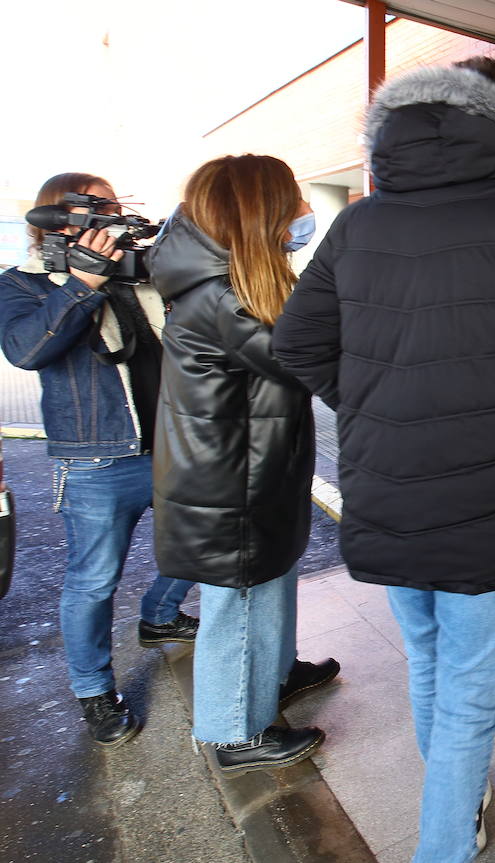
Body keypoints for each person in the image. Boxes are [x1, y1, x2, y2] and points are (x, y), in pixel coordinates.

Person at [272, 58, 495, 862]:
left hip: (386, 487)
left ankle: (458, 797)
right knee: (467, 693)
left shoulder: (360, 221)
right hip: (490, 496)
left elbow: (294, 343)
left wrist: (368, 401)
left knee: (427, 658)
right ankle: (447, 836)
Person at [146, 154, 338, 773]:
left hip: (252, 471)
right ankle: (234, 732)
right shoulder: (220, 295)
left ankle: (274, 677)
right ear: (260, 212)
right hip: (228, 484)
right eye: (293, 199)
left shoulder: (233, 278)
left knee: (270, 583)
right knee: (241, 600)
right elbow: (309, 359)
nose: (303, 212)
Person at [0, 173, 197, 747]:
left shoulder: (140, 273)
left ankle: (160, 612)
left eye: (115, 206)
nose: (114, 217)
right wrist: (83, 280)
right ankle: (93, 690)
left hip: (174, 443)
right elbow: (28, 350)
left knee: (198, 543)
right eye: (101, 207)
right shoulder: (25, 284)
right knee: (92, 582)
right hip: (95, 458)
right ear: (59, 221)